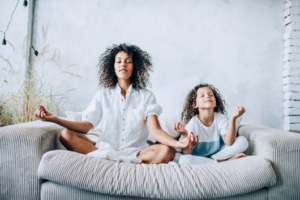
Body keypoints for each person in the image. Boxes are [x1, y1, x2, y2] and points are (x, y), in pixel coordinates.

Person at [35, 43, 194, 164]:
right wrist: (54, 119)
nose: (123, 64)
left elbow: (156, 131)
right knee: (66, 134)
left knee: (167, 151)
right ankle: (108, 157)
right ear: (113, 66)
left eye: (128, 61)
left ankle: (111, 160)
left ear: (135, 66)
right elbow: (86, 126)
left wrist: (178, 143)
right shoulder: (103, 94)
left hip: (136, 152)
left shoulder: (146, 96)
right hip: (103, 148)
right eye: (118, 61)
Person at [173, 83, 249, 165]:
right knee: (183, 160)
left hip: (216, 154)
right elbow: (187, 153)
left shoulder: (220, 118)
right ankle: (222, 161)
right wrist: (184, 134)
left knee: (242, 141)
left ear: (215, 103)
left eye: (210, 95)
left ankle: (212, 161)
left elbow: (228, 142)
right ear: (195, 104)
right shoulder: (193, 123)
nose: (207, 96)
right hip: (197, 157)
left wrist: (233, 118)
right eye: (202, 95)